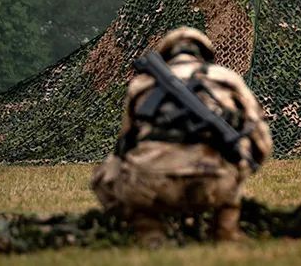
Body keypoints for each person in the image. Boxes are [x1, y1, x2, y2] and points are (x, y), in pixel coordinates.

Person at [91, 27, 272, 245]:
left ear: (167, 54)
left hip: (151, 185)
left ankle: (149, 230)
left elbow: (125, 144)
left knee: (104, 174)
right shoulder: (228, 79)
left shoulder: (141, 84)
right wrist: (242, 167)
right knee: (237, 154)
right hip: (216, 184)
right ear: (204, 53)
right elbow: (260, 138)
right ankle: (226, 230)